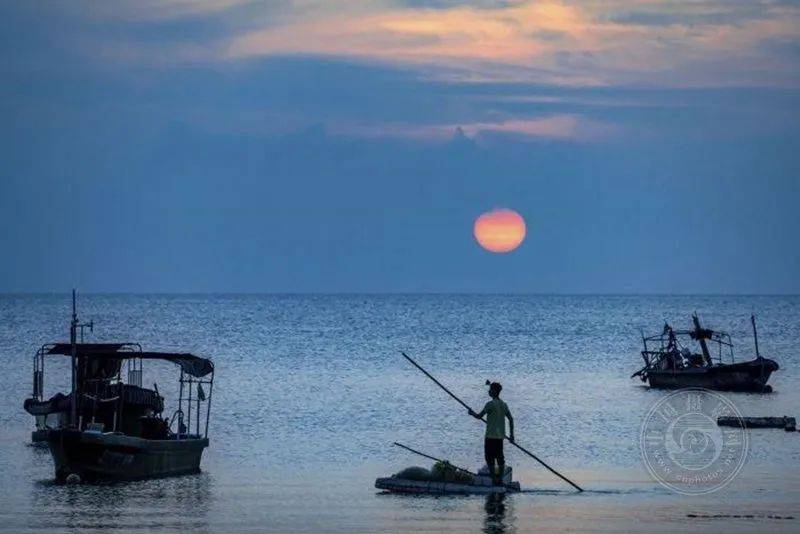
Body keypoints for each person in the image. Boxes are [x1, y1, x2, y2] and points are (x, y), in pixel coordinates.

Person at [469, 381, 514, 486]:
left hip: (490, 436)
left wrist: (471, 413)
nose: (488, 392)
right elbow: (511, 419)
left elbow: (479, 416)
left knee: (489, 458)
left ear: (494, 391)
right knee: (500, 458)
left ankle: (494, 479)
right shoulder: (503, 405)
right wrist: (512, 435)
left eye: (490, 390)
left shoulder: (490, 404)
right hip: (500, 437)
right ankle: (500, 479)